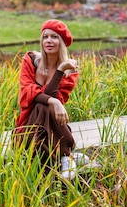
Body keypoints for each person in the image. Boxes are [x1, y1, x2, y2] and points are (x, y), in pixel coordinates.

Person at [14, 19, 80, 179]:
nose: (49, 41)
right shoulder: (30, 61)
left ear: (62, 42)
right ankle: (66, 156)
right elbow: (26, 94)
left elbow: (53, 96)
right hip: (28, 126)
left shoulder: (69, 72)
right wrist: (53, 101)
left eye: (54, 37)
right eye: (45, 37)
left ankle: (64, 159)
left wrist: (59, 71)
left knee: (43, 105)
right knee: (42, 105)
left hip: (51, 127)